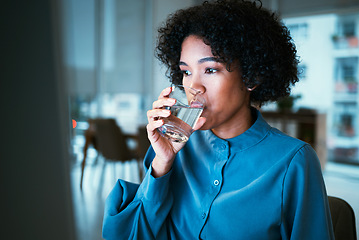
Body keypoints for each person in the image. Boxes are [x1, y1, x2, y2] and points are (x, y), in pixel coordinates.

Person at [102, 0, 335, 239]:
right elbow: (131, 235)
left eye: (210, 70)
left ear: (251, 76)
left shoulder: (293, 161)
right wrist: (162, 163)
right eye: (186, 71)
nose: (193, 87)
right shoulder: (175, 146)